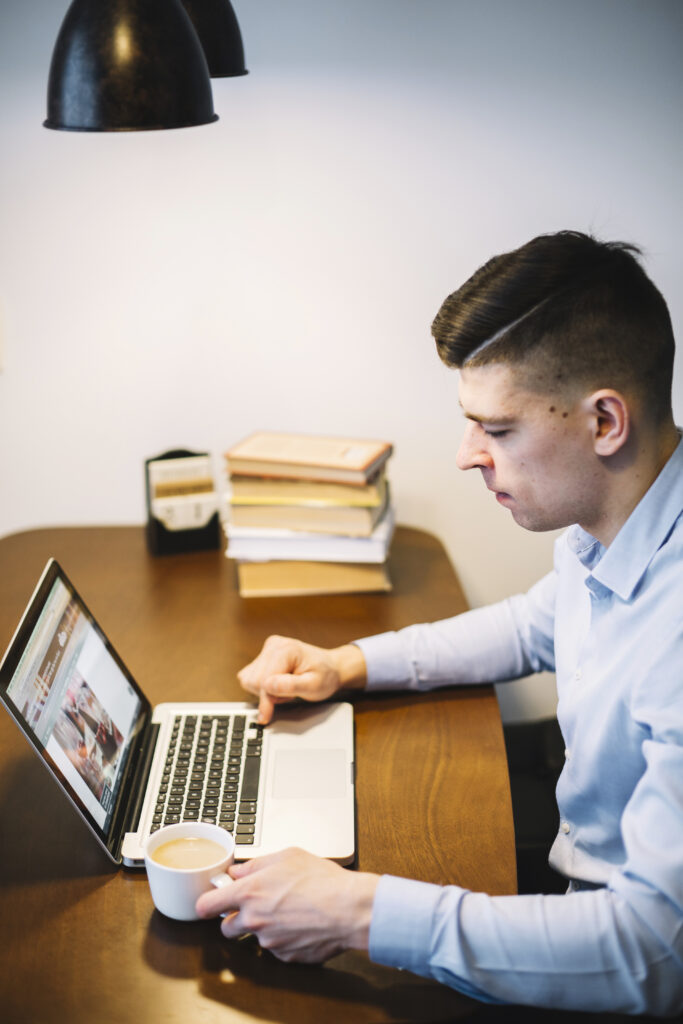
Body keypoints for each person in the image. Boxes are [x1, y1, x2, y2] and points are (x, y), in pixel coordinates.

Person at [196, 231, 683, 1015]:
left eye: (495, 430)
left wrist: (355, 910)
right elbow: (534, 625)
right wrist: (345, 663)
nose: (465, 455)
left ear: (603, 423)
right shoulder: (619, 526)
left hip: (608, 942)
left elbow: (652, 954)